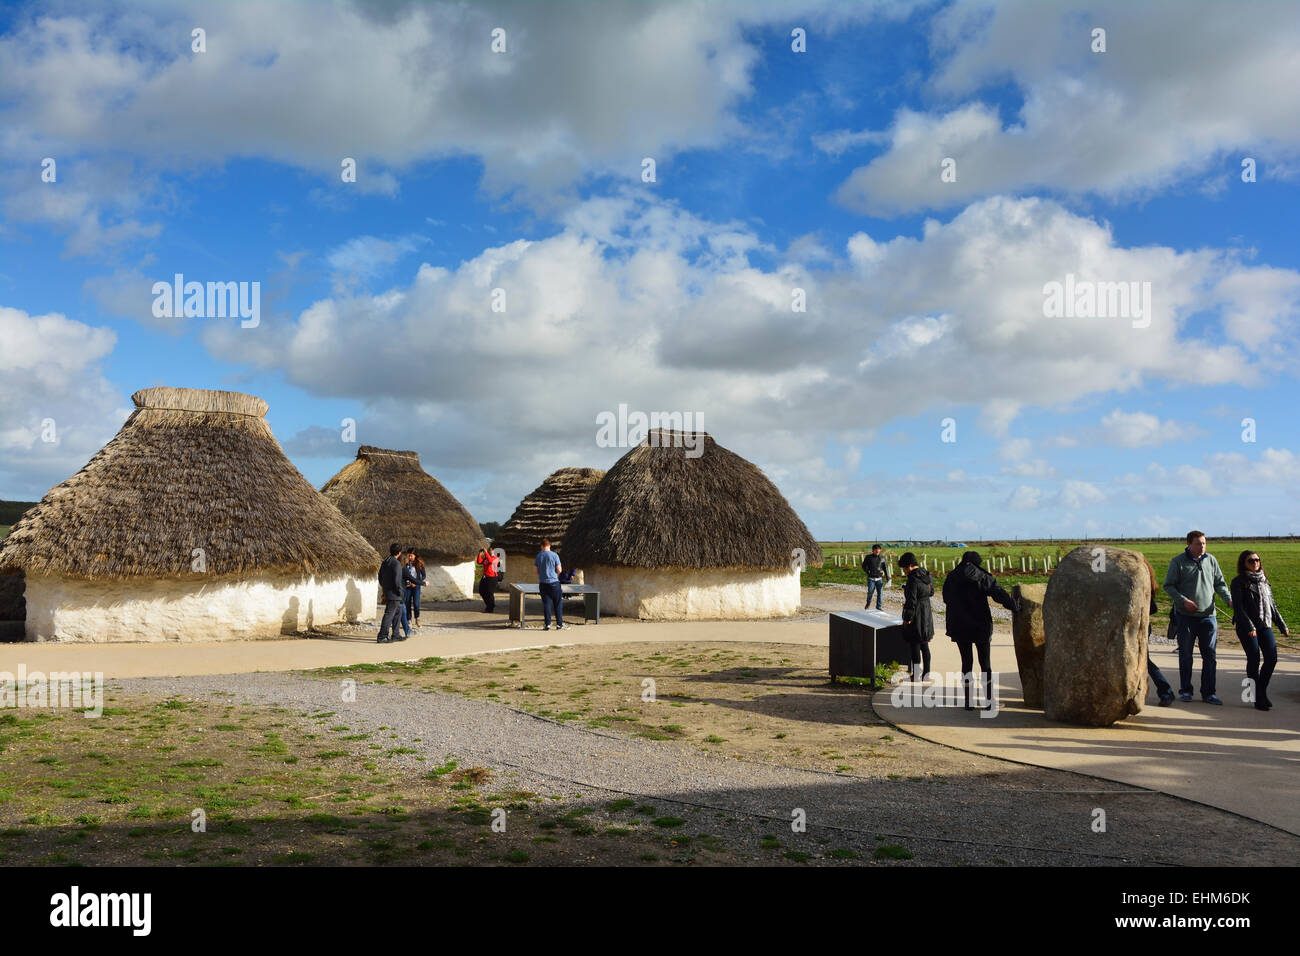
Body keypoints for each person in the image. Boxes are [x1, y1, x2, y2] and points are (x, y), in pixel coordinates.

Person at [942, 550, 1018, 710]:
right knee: (985, 664)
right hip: (980, 625)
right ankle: (989, 701)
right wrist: (1014, 606)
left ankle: (968, 702)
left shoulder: (952, 576)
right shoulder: (981, 576)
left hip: (959, 625)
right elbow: (998, 593)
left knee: (966, 663)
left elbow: (946, 598)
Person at [1164, 530, 1232, 704]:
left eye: (1204, 543)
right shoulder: (1178, 562)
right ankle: (1186, 690)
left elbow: (1220, 584)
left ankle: (1209, 692)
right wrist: (1183, 600)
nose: (1202, 546)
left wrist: (1229, 600)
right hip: (1185, 616)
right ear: (1189, 544)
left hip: (1208, 617)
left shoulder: (1211, 560)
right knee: (1186, 654)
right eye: (1198, 543)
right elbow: (1169, 586)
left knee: (1210, 655)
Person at [1230, 549, 1289, 711]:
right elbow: (1239, 608)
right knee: (1254, 658)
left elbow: (1272, 606)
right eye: (1251, 561)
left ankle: (1260, 692)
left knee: (1272, 658)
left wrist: (1282, 624)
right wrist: (1249, 626)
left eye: (1257, 560)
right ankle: (1257, 698)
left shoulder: (1264, 580)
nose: (1255, 563)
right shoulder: (1238, 582)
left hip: (1265, 625)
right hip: (1247, 627)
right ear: (1243, 564)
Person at [1142, 559, 1176, 706]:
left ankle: (1166, 691)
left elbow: (1152, 608)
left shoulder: (1143, 584)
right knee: (1143, 661)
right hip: (1141, 626)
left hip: (1140, 627)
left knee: (1145, 660)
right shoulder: (1146, 581)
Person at [898, 552, 934, 680]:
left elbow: (911, 602)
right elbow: (931, 592)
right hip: (926, 612)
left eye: (904, 568)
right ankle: (927, 674)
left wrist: (907, 619)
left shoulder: (913, 579)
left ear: (909, 566)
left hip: (916, 614)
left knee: (915, 645)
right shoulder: (927, 575)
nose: (904, 571)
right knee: (925, 644)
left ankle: (917, 675)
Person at [534, 538, 568, 631]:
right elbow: (559, 570)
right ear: (550, 546)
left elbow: (536, 571)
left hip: (543, 583)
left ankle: (547, 624)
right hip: (554, 582)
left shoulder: (538, 556)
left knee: (546, 604)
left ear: (541, 546)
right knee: (557, 603)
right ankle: (559, 624)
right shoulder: (554, 555)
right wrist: (555, 574)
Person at [376, 543, 406, 644]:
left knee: (398, 612)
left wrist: (385, 588)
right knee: (389, 614)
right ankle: (382, 636)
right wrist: (400, 592)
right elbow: (397, 580)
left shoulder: (385, 561)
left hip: (388, 591)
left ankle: (395, 634)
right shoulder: (396, 563)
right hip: (394, 593)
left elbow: (380, 577)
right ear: (399, 552)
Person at [404, 549, 426, 627]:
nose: (410, 557)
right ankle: (409, 620)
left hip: (416, 586)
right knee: (407, 603)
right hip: (407, 586)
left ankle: (417, 618)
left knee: (416, 603)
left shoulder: (420, 564)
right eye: (409, 555)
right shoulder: (406, 564)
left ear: (415, 555)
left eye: (411, 555)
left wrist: (416, 582)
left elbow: (424, 576)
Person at [861, 544, 887, 611]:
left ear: (880, 550)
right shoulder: (868, 557)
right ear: (873, 550)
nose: (877, 550)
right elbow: (863, 566)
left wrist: (888, 577)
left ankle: (878, 606)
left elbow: (885, 568)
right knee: (870, 592)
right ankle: (868, 603)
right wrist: (868, 572)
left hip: (879, 579)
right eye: (875, 549)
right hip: (871, 579)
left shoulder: (882, 558)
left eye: (878, 549)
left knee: (880, 593)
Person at [476, 547, 501, 612]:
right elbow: (479, 562)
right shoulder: (486, 558)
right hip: (485, 577)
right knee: (481, 591)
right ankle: (490, 604)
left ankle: (490, 608)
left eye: (490, 550)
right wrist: (480, 553)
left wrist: (486, 553)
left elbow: (490, 561)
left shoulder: (495, 558)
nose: (489, 551)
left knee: (489, 593)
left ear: (493, 551)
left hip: (492, 578)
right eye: (488, 550)